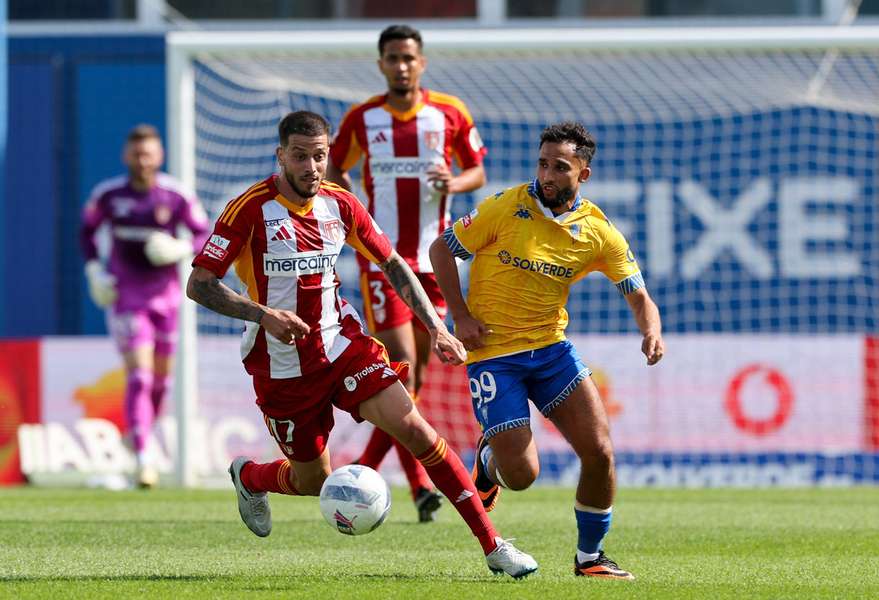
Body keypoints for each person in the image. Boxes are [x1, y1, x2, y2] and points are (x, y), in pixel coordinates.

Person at [186, 110, 536, 579]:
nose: (311, 167)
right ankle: (249, 477)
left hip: (341, 345)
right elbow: (200, 284)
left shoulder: (341, 204)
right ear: (280, 156)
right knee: (312, 480)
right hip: (281, 364)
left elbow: (393, 264)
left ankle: (493, 545)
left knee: (417, 429)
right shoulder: (250, 208)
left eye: (320, 156)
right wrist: (263, 314)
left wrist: (436, 327)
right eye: (300, 156)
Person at [430, 121, 666, 580]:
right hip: (495, 354)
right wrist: (459, 316)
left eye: (560, 167)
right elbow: (442, 249)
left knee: (599, 452)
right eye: (543, 163)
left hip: (552, 351)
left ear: (584, 174)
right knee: (521, 476)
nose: (547, 175)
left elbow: (638, 295)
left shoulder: (597, 232)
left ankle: (590, 559)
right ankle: (488, 458)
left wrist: (651, 331)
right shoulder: (504, 207)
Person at [326, 24, 488, 523]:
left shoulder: (450, 112)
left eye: (408, 57)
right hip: (386, 265)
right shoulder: (362, 118)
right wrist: (356, 213)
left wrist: (454, 180)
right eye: (392, 57)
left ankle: (392, 483)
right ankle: (372, 482)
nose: (401, 65)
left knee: (413, 379)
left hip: (436, 261)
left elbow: (477, 171)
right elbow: (334, 169)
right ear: (381, 64)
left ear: (422, 62)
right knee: (398, 369)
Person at [80, 124, 210, 488]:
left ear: (160, 156)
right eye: (136, 153)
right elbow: (87, 231)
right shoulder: (108, 195)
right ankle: (143, 457)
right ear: (126, 156)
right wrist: (94, 270)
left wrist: (182, 248)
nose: (142, 160)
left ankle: (138, 435)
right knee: (139, 374)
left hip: (167, 297)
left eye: (148, 153)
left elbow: (203, 233)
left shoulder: (175, 195)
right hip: (127, 294)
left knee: (161, 382)